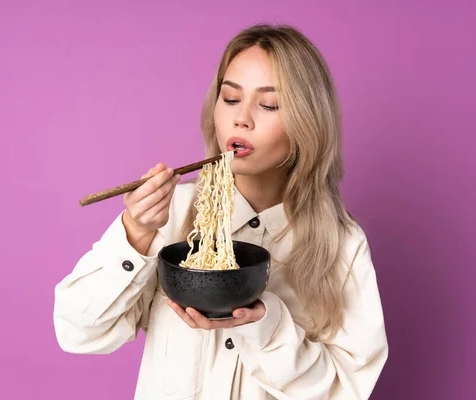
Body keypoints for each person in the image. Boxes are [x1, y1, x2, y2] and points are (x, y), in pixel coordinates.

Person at [53, 23, 388, 400]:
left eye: (268, 104)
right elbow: (79, 332)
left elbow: (345, 389)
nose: (241, 118)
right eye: (230, 99)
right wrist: (135, 234)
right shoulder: (172, 213)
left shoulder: (342, 244)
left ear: (307, 124)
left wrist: (267, 324)